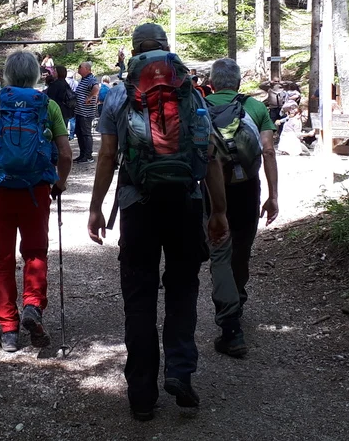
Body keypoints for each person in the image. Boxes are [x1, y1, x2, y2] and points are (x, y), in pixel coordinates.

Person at [88, 23, 229, 422]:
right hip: (186, 204)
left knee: (139, 297)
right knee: (183, 291)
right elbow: (212, 156)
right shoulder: (190, 92)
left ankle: (141, 393)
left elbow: (106, 157)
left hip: (138, 206)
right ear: (167, 48)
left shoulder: (119, 94)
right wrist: (218, 212)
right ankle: (181, 372)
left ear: (133, 51)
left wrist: (96, 207)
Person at [0, 51, 73, 352]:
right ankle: (33, 305)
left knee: (2, 258)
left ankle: (8, 329)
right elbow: (65, 153)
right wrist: (60, 182)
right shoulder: (47, 105)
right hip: (37, 189)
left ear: (8, 75)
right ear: (36, 76)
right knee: (35, 251)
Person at [203, 58, 280, 357]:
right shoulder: (256, 108)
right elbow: (268, 150)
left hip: (212, 188)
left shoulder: (200, 107)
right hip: (248, 187)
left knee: (220, 250)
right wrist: (273, 196)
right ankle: (238, 297)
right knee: (241, 249)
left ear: (212, 82)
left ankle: (230, 327)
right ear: (237, 83)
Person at [73, 62, 100, 163]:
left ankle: (88, 156)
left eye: (80, 67)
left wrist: (89, 97)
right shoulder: (84, 79)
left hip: (86, 113)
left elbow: (96, 88)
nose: (78, 68)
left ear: (86, 69)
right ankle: (82, 154)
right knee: (80, 133)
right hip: (80, 112)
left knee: (86, 134)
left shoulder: (91, 79)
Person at [45, 65, 77, 138]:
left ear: (59, 72)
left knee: (55, 135)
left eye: (55, 71)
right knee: (62, 133)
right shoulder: (65, 83)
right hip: (66, 111)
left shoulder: (55, 85)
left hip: (57, 112)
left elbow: (50, 100)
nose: (53, 72)